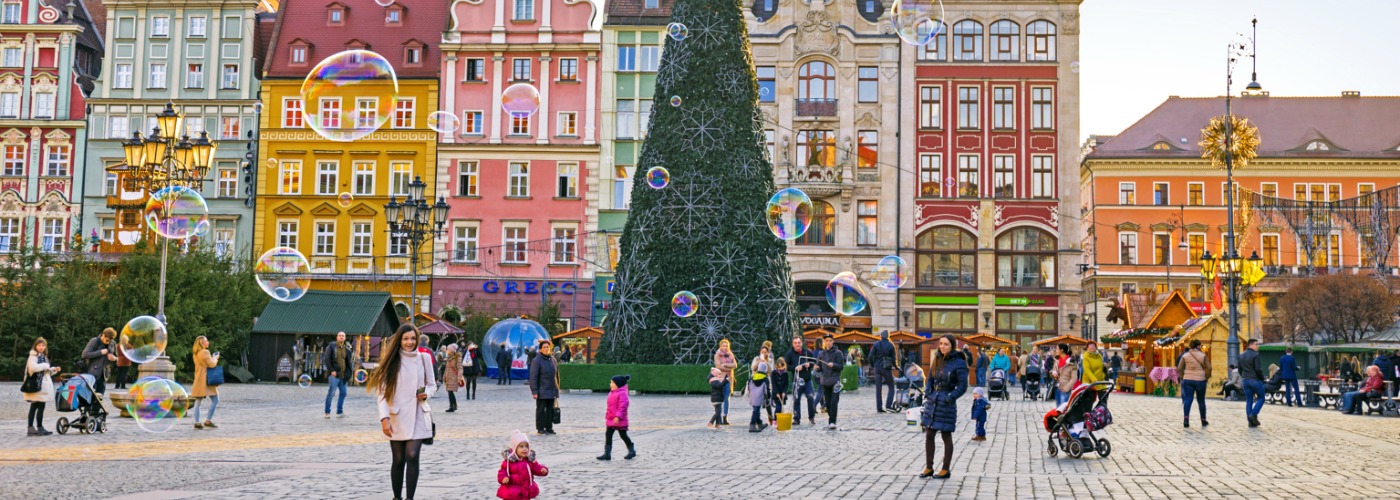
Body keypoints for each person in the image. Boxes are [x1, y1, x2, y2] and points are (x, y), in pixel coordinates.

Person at [368, 324, 436, 500]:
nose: (409, 342)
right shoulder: (392, 361)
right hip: (396, 416)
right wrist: (384, 418)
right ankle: (396, 497)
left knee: (412, 455)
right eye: (405, 338)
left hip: (419, 412)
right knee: (398, 460)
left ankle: (409, 498)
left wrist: (426, 393)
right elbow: (382, 394)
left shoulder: (424, 358)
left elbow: (432, 384)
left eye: (413, 338)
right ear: (399, 339)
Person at [918, 334, 967, 479]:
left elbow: (963, 386)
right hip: (933, 402)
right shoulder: (937, 359)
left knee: (946, 435)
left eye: (946, 344)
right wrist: (928, 393)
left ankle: (945, 468)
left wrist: (950, 397)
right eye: (941, 343)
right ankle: (929, 467)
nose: (942, 346)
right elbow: (930, 378)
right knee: (929, 434)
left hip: (946, 403)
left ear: (952, 346)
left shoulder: (959, 362)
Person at [24, 337, 60, 436]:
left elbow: (45, 373)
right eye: (39, 345)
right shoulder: (33, 356)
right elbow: (33, 368)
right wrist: (45, 366)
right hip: (36, 385)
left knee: (40, 406)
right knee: (35, 406)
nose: (41, 347)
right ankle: (33, 428)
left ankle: (38, 427)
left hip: (41, 385)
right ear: (36, 346)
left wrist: (53, 370)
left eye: (43, 345)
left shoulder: (43, 357)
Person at [498, 430, 549, 499]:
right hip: (512, 491)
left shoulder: (529, 460)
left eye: (526, 446)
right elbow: (502, 471)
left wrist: (541, 470)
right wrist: (503, 478)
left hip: (526, 490)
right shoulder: (509, 461)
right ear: (515, 448)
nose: (524, 449)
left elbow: (535, 467)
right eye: (521, 447)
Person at [597, 375, 635, 460]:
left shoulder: (622, 393)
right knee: (608, 434)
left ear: (618, 384)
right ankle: (607, 454)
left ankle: (632, 450)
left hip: (619, 419)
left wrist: (618, 416)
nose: (610, 384)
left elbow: (623, 406)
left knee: (623, 435)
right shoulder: (611, 392)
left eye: (612, 382)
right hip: (611, 419)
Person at [1175, 339, 1211, 428]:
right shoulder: (1203, 355)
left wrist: (1183, 376)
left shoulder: (1185, 356)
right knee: (1201, 400)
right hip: (1200, 380)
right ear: (1198, 346)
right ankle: (1203, 420)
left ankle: (1186, 419)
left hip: (1188, 379)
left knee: (1188, 399)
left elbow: (1179, 368)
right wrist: (1206, 376)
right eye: (1200, 345)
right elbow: (1209, 367)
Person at [528, 340, 560, 435]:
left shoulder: (553, 360)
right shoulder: (536, 360)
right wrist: (534, 391)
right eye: (544, 347)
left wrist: (557, 387)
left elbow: (557, 375)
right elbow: (533, 377)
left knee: (550, 410)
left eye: (548, 347)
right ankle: (540, 428)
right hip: (542, 390)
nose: (546, 349)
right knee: (541, 410)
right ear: (541, 349)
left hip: (552, 389)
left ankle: (549, 427)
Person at [783, 336, 816, 425]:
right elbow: (786, 366)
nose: (797, 344)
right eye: (795, 343)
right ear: (793, 344)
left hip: (807, 380)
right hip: (797, 380)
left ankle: (811, 417)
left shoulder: (808, 352)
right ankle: (796, 418)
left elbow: (814, 363)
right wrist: (795, 368)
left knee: (810, 397)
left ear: (802, 343)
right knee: (796, 399)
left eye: (799, 342)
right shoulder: (789, 354)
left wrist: (810, 364)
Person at [190, 336, 221, 430]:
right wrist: (215, 358)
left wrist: (211, 358)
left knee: (198, 402)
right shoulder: (205, 352)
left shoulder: (196, 353)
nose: (208, 342)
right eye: (206, 341)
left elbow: (205, 363)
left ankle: (197, 423)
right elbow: (212, 364)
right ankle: (208, 421)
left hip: (199, 380)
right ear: (202, 343)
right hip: (207, 380)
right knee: (215, 400)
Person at [816, 333, 846, 430]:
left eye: (830, 341)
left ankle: (832, 421)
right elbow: (819, 368)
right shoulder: (821, 354)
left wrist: (834, 365)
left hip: (835, 382)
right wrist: (816, 368)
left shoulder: (838, 353)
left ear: (833, 342)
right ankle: (831, 418)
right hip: (825, 382)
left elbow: (841, 366)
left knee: (834, 402)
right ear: (824, 342)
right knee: (828, 403)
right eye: (827, 341)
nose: (828, 343)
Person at [324, 331, 354, 418]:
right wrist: (331, 370)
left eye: (343, 336)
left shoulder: (347, 350)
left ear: (345, 338)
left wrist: (349, 373)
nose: (341, 337)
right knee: (331, 394)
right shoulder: (331, 347)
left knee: (343, 393)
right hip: (334, 375)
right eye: (340, 336)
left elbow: (348, 362)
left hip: (343, 376)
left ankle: (339, 412)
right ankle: (327, 412)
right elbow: (327, 359)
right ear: (337, 337)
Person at [81, 328, 118, 394]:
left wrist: (115, 359)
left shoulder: (113, 343)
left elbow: (117, 357)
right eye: (107, 340)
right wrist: (100, 352)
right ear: (103, 335)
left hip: (104, 375)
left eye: (110, 340)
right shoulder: (94, 341)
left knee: (100, 398)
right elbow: (84, 355)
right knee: (91, 398)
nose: (109, 342)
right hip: (92, 374)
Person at [1239, 339, 1266, 428]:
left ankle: (1250, 422)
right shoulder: (1255, 355)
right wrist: (1262, 378)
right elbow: (1258, 369)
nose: (1257, 346)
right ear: (1250, 345)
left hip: (1245, 380)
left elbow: (1239, 369)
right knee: (1261, 398)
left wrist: (1244, 376)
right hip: (1255, 380)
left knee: (1249, 400)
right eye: (1256, 344)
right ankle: (1253, 414)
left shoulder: (1241, 355)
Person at [713, 339, 739, 426]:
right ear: (720, 346)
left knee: (727, 397)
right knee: (720, 397)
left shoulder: (730, 354)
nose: (725, 347)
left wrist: (726, 365)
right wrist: (729, 367)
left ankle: (725, 416)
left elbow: (735, 365)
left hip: (729, 378)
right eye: (723, 346)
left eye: (726, 346)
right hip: (721, 378)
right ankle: (718, 417)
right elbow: (718, 366)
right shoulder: (717, 355)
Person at [870, 331, 897, 413]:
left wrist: (873, 365)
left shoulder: (876, 344)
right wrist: (896, 367)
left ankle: (879, 408)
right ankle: (888, 405)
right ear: (888, 336)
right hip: (886, 368)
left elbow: (870, 356)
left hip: (877, 368)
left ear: (880, 336)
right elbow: (893, 359)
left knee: (878, 388)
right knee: (891, 386)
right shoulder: (891, 345)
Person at [747, 361, 771, 433]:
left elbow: (749, 386)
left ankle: (759, 423)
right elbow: (767, 389)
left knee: (756, 409)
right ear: (765, 369)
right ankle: (752, 424)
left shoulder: (752, 377)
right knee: (756, 410)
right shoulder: (765, 378)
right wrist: (768, 397)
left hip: (752, 396)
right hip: (760, 395)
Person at [444, 344, 464, 413]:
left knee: (450, 391)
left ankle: (452, 406)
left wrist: (459, 378)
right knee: (449, 391)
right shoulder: (449, 358)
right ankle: (453, 406)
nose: (447, 350)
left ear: (451, 350)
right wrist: (444, 377)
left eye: (448, 349)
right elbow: (446, 369)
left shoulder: (457, 357)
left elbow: (460, 368)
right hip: (448, 377)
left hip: (453, 377)